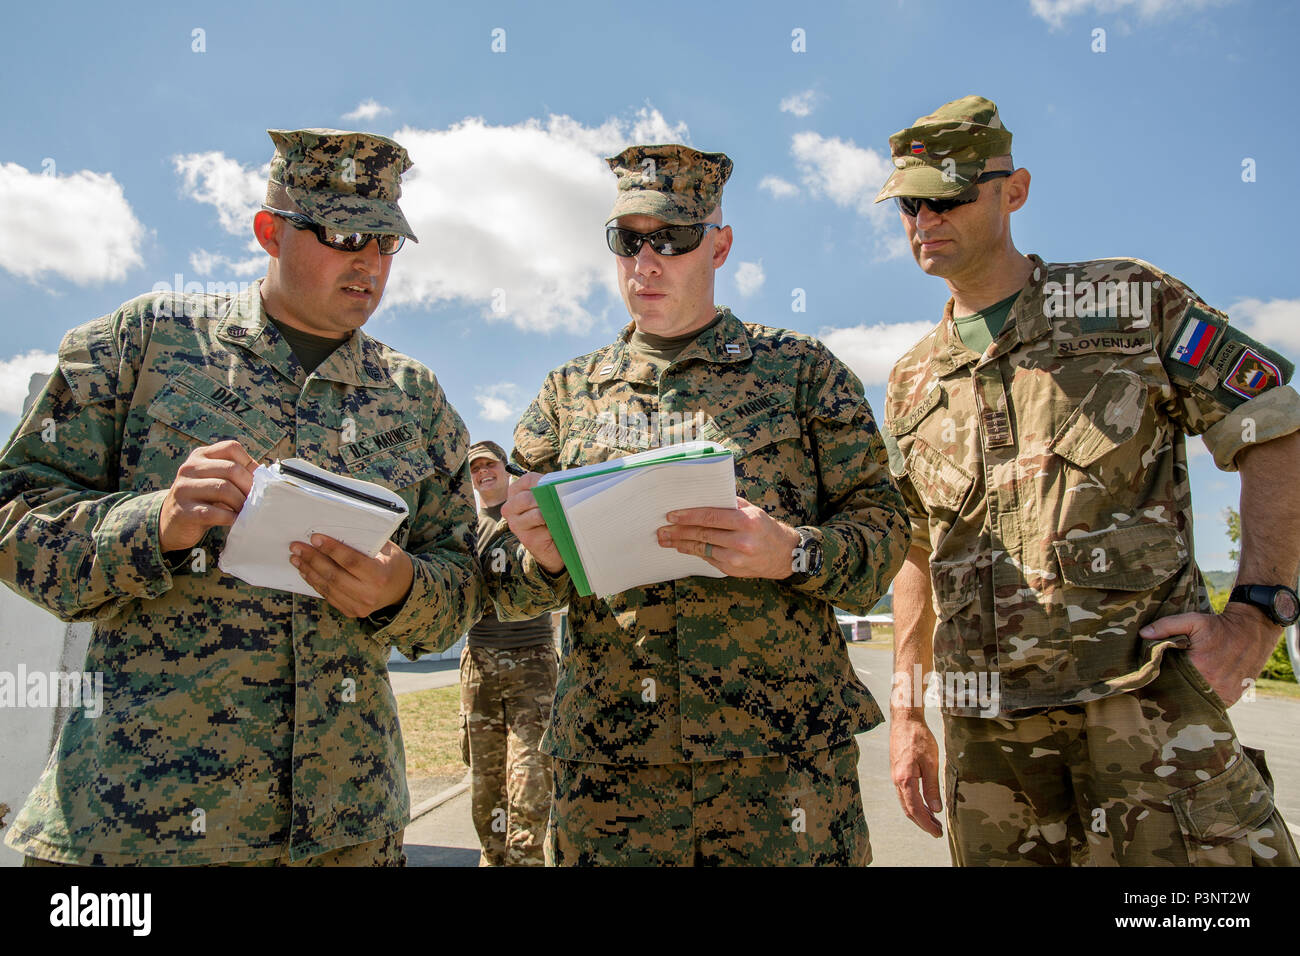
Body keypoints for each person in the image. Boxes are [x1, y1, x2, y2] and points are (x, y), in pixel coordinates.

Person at [0, 128, 480, 866]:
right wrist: (151, 524)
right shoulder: (143, 344)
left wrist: (401, 586)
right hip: (140, 831)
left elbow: (461, 580)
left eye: (387, 243)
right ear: (269, 231)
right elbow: (14, 518)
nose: (369, 262)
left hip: (344, 834)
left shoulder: (414, 397)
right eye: (346, 233)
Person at [878, 96, 1300, 866]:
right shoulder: (911, 381)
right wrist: (908, 716)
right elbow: (914, 552)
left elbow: (1275, 424)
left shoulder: (1124, 302)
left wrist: (1259, 614)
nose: (923, 218)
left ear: (1015, 190)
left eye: (948, 197)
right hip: (992, 753)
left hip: (1144, 713)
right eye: (909, 202)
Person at [481, 144, 910, 866]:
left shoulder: (803, 374)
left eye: (673, 239)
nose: (647, 262)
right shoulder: (566, 394)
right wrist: (536, 555)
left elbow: (884, 532)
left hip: (782, 770)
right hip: (613, 777)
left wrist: (792, 552)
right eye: (629, 240)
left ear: (720, 245)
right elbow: (495, 566)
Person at [461, 439, 557, 866]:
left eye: (490, 464)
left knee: (531, 780)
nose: (483, 472)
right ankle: (492, 859)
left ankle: (525, 861)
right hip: (479, 664)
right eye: (475, 467)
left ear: (506, 468)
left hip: (532, 660)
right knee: (485, 784)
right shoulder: (460, 528)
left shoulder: (528, 514)